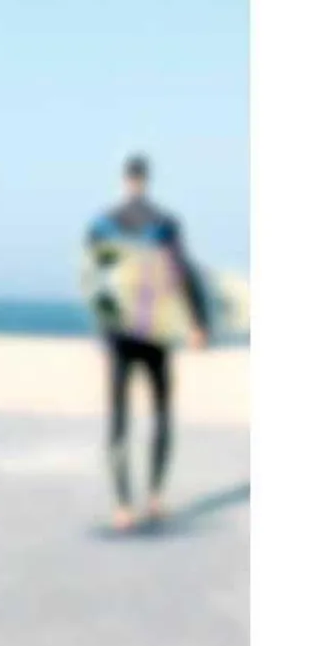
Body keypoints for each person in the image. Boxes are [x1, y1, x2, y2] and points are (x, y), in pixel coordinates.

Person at [85, 154, 209, 531]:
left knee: (119, 418)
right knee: (161, 414)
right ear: (146, 180)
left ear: (126, 180)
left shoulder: (104, 224)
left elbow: (96, 280)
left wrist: (102, 328)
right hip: (156, 331)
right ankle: (155, 496)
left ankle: (123, 506)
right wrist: (198, 322)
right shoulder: (164, 223)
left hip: (121, 334)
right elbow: (183, 272)